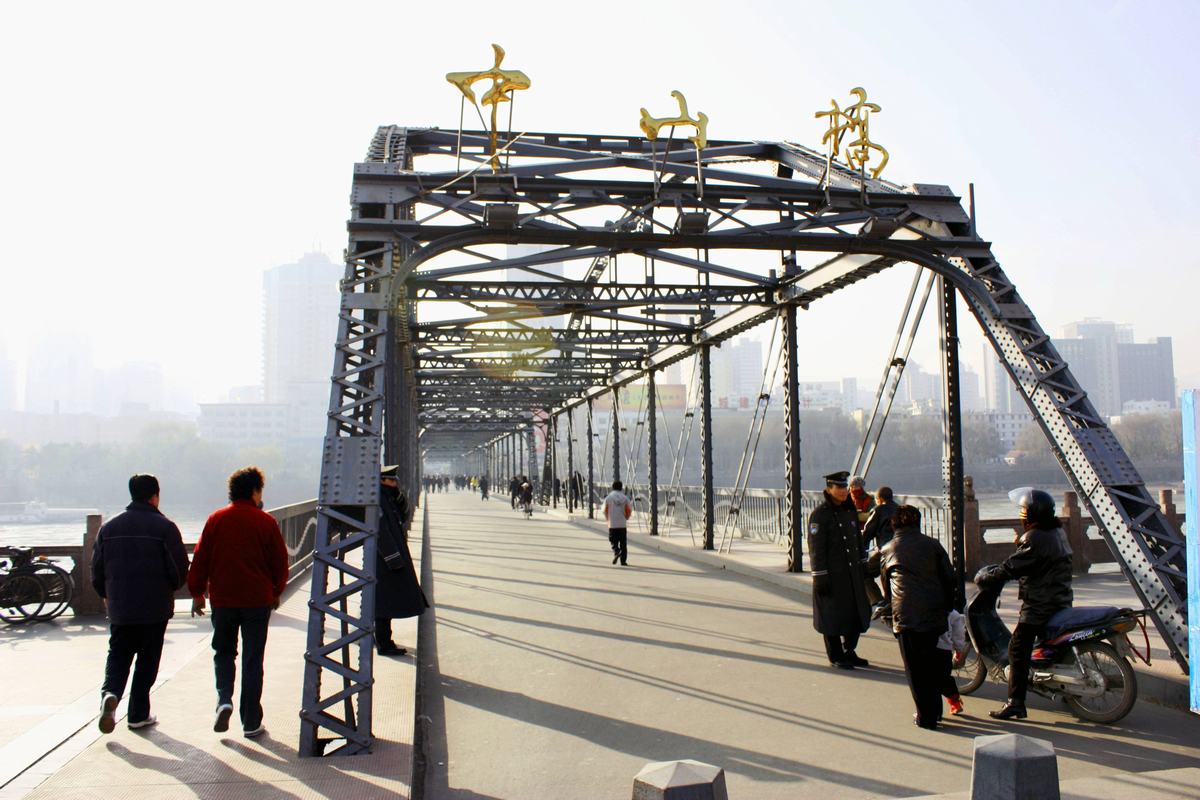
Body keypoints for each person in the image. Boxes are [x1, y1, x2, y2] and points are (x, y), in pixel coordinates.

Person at [187, 466, 288, 739]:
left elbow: (200, 559)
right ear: (255, 491)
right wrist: (275, 590)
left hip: (223, 599)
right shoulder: (265, 522)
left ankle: (224, 700)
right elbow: (280, 563)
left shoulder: (215, 519)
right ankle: (251, 721)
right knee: (253, 659)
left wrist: (197, 593)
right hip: (256, 601)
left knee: (223, 652)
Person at [91, 474, 189, 733]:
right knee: (147, 660)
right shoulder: (165, 528)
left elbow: (96, 570)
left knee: (119, 654)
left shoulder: (108, 529)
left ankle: (110, 694)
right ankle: (137, 714)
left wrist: (106, 593)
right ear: (155, 495)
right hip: (154, 607)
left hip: (120, 606)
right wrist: (171, 588)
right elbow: (179, 569)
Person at [987, 487, 1073, 721]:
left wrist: (990, 575)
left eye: (1024, 509)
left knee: (1017, 648)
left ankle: (1015, 702)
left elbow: (1012, 567)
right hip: (1061, 598)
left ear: (1031, 513)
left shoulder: (1034, 537)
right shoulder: (1057, 532)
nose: (1021, 513)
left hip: (1039, 604)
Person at [879, 505, 956, 730]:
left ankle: (927, 717)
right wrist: (948, 607)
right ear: (918, 522)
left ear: (894, 525)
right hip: (934, 613)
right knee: (932, 664)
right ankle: (936, 711)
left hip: (906, 616)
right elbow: (949, 578)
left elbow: (885, 583)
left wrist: (889, 604)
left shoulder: (888, 548)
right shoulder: (933, 545)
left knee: (915, 669)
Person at [808, 470, 872, 669]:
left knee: (856, 614)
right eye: (839, 487)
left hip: (851, 573)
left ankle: (849, 650)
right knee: (832, 616)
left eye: (845, 487)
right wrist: (820, 577)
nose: (844, 491)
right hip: (832, 576)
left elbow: (857, 540)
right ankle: (836, 655)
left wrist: (864, 562)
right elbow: (816, 549)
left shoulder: (849, 511)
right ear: (829, 489)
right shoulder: (820, 515)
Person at [375, 466, 428, 656]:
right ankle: (383, 642)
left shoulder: (387, 497)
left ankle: (383, 640)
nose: (395, 483)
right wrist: (393, 559)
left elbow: (404, 514)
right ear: (382, 481)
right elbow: (380, 532)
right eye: (392, 481)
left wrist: (399, 495)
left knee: (385, 601)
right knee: (383, 602)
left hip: (389, 558)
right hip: (384, 561)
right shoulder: (377, 500)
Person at [862, 486, 900, 607]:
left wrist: (860, 546)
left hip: (886, 550)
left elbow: (868, 532)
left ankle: (878, 600)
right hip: (903, 548)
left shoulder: (878, 510)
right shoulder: (900, 509)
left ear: (879, 498)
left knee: (864, 573)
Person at [603, 480, 633, 566]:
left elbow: (604, 510)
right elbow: (629, 510)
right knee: (623, 543)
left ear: (612, 487)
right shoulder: (625, 498)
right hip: (622, 523)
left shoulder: (608, 498)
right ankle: (623, 561)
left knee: (613, 540)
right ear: (621, 488)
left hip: (612, 523)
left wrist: (608, 518)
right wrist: (626, 517)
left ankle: (616, 551)